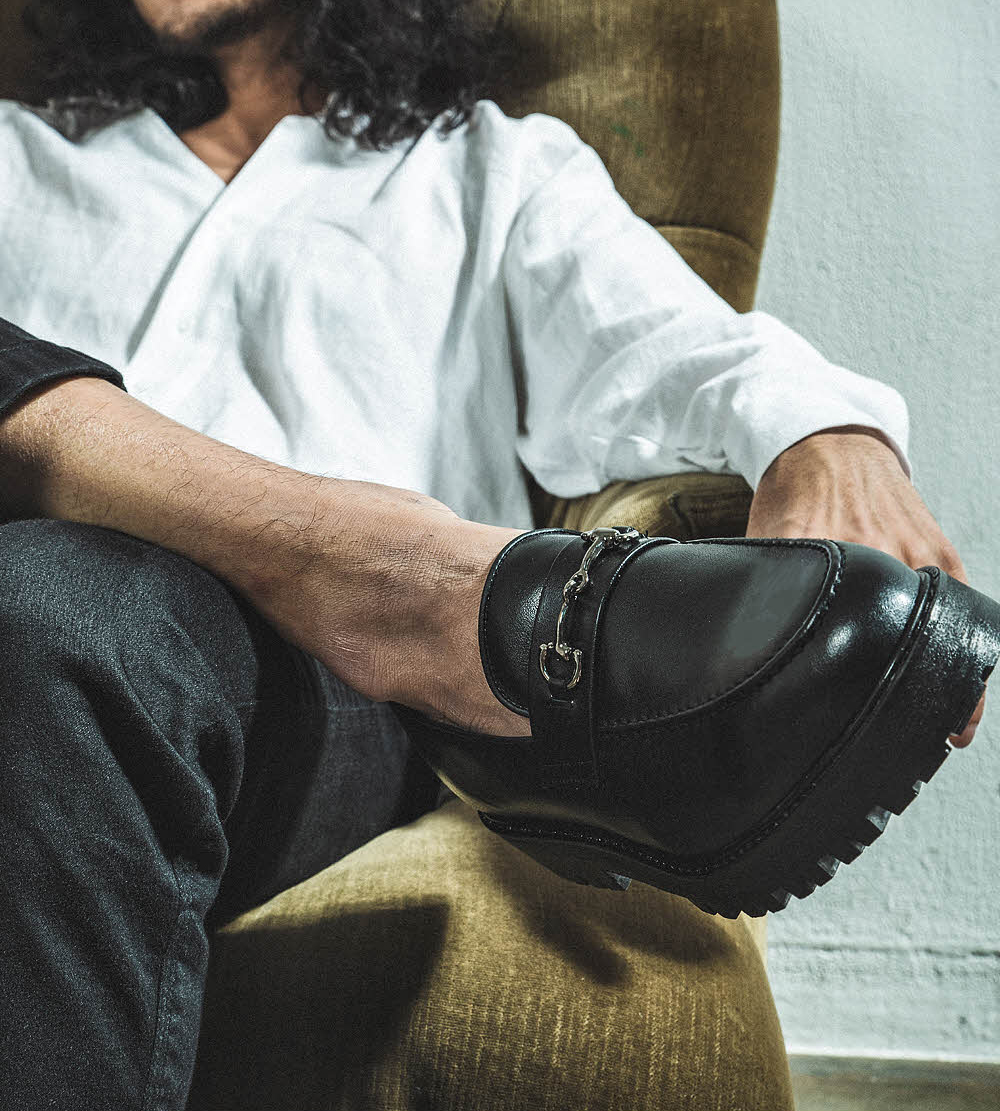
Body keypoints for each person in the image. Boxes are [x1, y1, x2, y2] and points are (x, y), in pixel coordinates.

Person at [0, 0, 986, 1106]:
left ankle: (392, 595)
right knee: (38, 601)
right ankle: (387, 568)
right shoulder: (19, 159)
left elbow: (675, 344)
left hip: (312, 697)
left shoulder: (485, 169)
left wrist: (825, 433)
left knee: (56, 612)